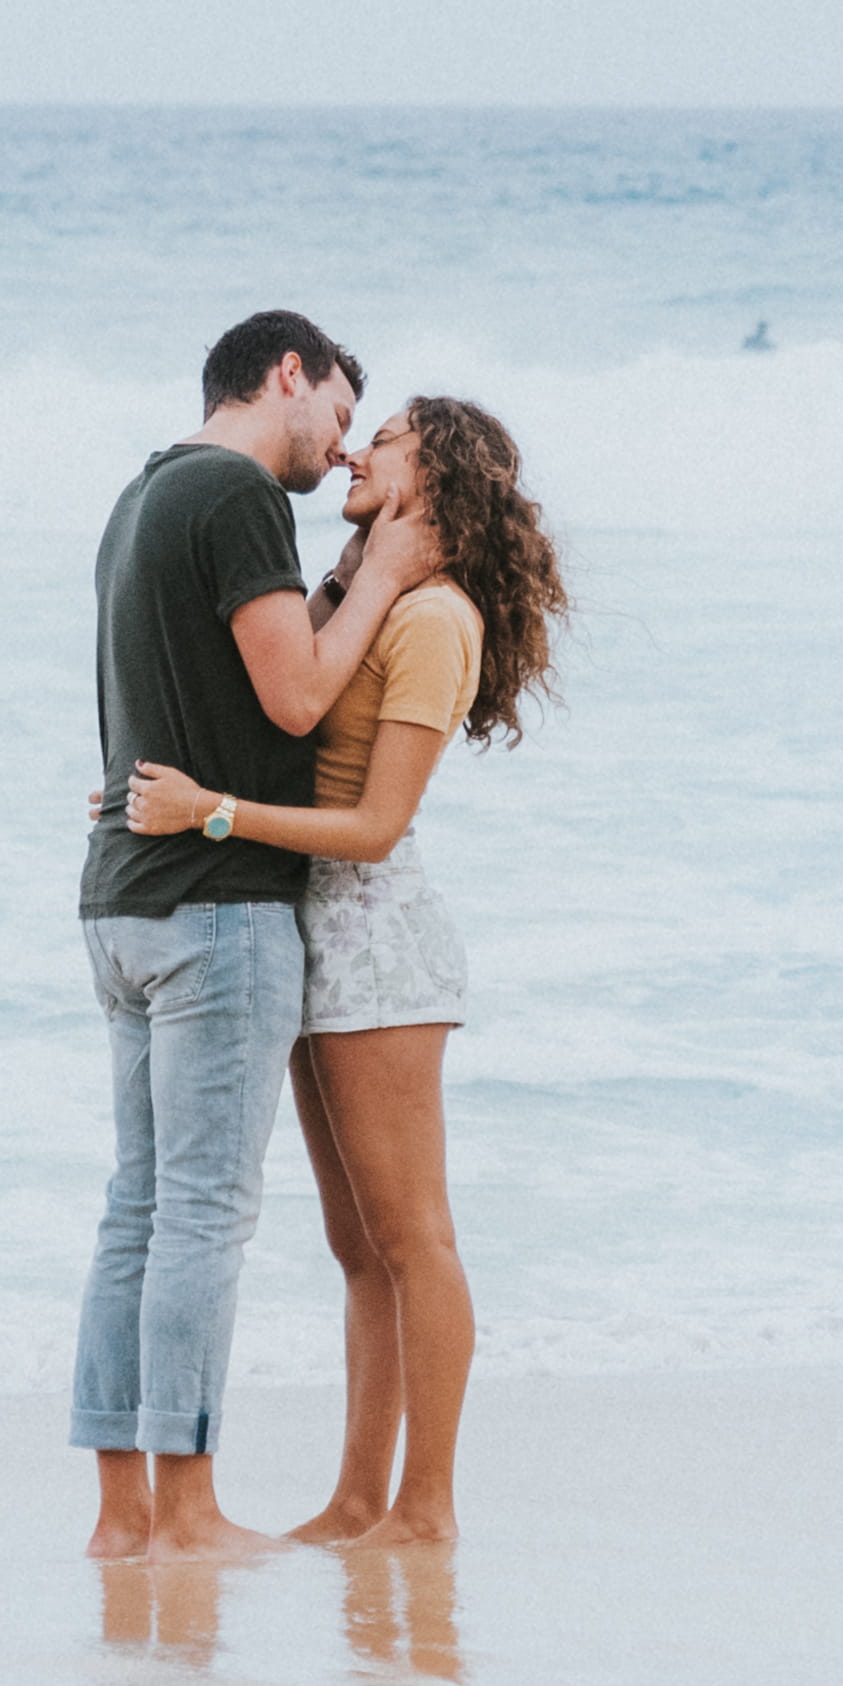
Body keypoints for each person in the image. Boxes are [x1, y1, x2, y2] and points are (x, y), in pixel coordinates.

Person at [117, 395, 567, 1547]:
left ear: (433, 477)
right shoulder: (378, 599)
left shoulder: (435, 621)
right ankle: (359, 1498)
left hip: (376, 938)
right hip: (316, 933)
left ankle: (428, 1507)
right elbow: (289, 707)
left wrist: (211, 814)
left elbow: (372, 826)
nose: (358, 451)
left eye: (392, 440)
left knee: (416, 1238)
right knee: (358, 1249)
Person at [71, 313, 437, 1562]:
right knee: (205, 1215)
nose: (342, 452)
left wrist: (341, 582)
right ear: (289, 373)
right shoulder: (236, 496)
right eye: (340, 412)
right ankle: (188, 1511)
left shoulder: (144, 497)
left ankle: (123, 1517)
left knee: (138, 1208)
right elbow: (292, 695)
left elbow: (197, 696)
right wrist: (383, 577)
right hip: (217, 906)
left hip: (120, 898)